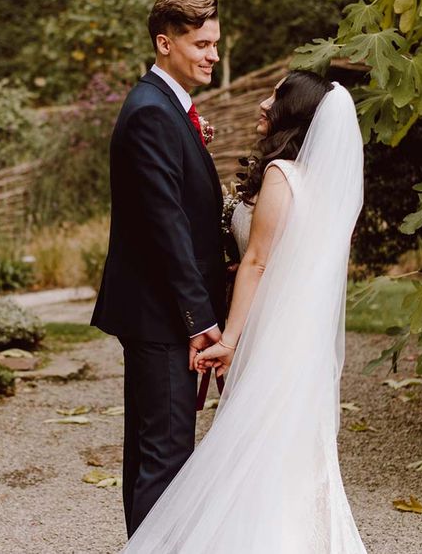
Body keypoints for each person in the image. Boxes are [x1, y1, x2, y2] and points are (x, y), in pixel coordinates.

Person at [121, 70, 368, 553]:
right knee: (287, 456)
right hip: (299, 341)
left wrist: (229, 339)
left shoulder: (282, 176)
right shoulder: (323, 187)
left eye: (275, 95)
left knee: (255, 455)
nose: (263, 102)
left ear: (292, 111)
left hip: (268, 338)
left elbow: (256, 262)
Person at [90, 0, 227, 536]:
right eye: (201, 44)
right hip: (162, 315)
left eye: (215, 43)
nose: (213, 55)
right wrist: (201, 319)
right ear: (165, 43)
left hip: (162, 312)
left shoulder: (168, 107)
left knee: (155, 449)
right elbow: (166, 229)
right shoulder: (151, 112)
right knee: (165, 455)